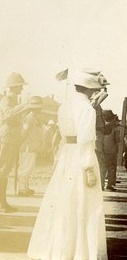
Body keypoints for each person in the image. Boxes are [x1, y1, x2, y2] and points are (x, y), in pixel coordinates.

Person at [27, 69, 107, 260]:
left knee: (63, 201)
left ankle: (60, 247)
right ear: (89, 89)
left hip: (67, 155)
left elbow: (64, 136)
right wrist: (89, 168)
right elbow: (86, 140)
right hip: (81, 157)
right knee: (83, 202)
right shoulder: (87, 109)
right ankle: (80, 250)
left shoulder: (64, 106)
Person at [0, 72, 29, 213]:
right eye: (19, 86)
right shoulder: (6, 99)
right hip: (7, 135)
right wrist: (24, 106)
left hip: (13, 135)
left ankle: (2, 201)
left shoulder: (14, 100)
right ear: (13, 87)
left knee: (7, 169)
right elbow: (7, 114)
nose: (21, 88)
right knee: (3, 169)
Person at [17, 96, 43, 197]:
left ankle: (25, 187)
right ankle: (21, 189)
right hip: (27, 146)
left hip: (32, 146)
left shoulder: (33, 117)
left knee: (29, 167)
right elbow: (24, 132)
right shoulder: (30, 117)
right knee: (25, 167)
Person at [102, 110, 120, 191]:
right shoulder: (114, 128)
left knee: (102, 167)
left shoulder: (101, 128)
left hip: (102, 150)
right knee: (112, 168)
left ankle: (101, 185)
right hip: (111, 151)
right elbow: (117, 140)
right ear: (111, 118)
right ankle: (110, 185)